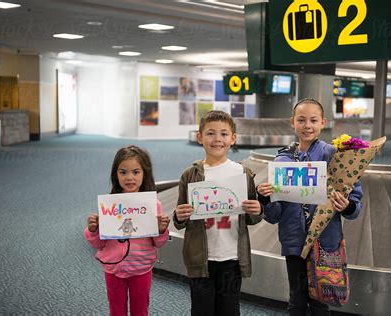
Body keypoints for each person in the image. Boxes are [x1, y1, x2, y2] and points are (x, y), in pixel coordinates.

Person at [257, 98, 363, 316]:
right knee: (297, 299)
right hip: (294, 241)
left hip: (325, 241)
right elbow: (275, 215)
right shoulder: (281, 162)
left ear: (323, 122)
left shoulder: (335, 156)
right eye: (301, 120)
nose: (307, 126)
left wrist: (348, 206)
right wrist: (265, 199)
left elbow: (355, 201)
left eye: (313, 120)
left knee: (320, 301)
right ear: (292, 122)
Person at [173, 110, 263, 316]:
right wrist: (180, 215)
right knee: (201, 309)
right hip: (200, 259)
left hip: (231, 257)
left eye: (224, 134)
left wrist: (258, 210)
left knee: (230, 309)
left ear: (233, 139)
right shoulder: (191, 174)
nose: (217, 139)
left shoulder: (242, 173)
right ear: (200, 137)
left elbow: (251, 215)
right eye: (211, 133)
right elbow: (179, 220)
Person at [84, 145, 170, 316]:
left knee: (140, 310)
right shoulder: (109, 204)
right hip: (114, 269)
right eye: (123, 172)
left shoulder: (153, 205)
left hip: (142, 268)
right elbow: (99, 244)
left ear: (144, 173)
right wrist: (93, 230)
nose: (129, 178)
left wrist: (161, 230)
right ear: (115, 175)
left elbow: (158, 243)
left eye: (136, 172)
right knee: (116, 310)